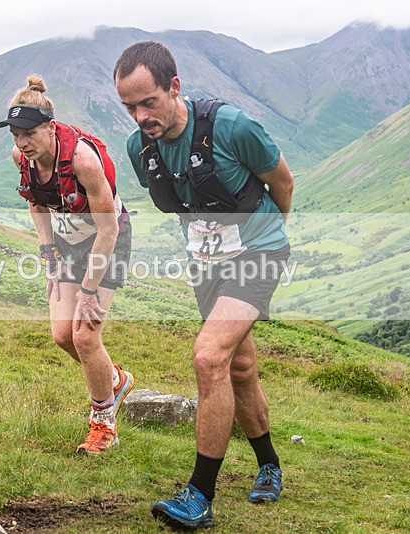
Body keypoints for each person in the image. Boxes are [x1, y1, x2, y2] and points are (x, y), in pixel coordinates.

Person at [114, 42, 294, 529]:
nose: (139, 116)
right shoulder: (140, 148)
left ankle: (200, 494)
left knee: (208, 356)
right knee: (240, 366)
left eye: (148, 102)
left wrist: (265, 237)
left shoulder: (231, 126)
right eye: (129, 106)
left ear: (174, 88)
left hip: (257, 254)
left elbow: (282, 183)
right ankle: (270, 466)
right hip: (206, 263)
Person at [0, 75, 134, 454]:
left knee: (85, 335)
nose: (22, 143)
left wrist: (89, 291)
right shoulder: (23, 159)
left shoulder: (83, 161)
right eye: (15, 135)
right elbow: (36, 202)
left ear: (50, 128)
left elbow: (107, 228)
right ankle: (115, 380)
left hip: (108, 239)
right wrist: (49, 255)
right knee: (62, 335)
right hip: (68, 242)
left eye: (29, 133)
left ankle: (103, 425)